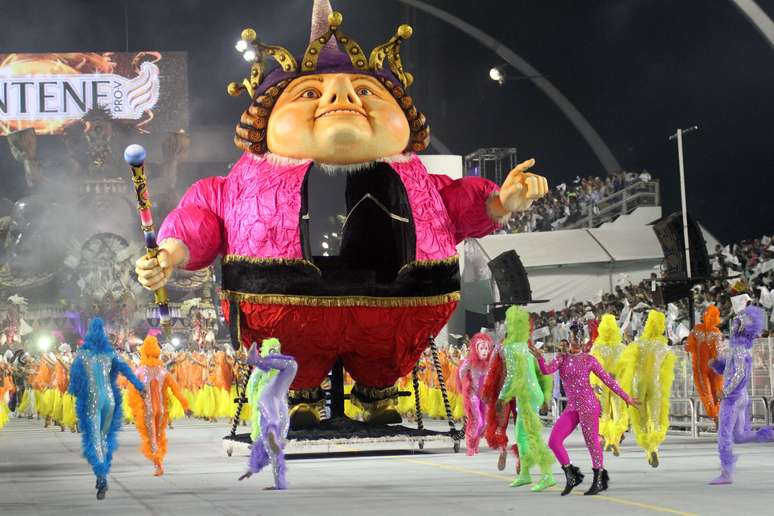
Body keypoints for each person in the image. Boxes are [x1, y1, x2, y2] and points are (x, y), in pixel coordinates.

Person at [134, 0, 548, 429]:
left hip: (395, 305)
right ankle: (299, 391)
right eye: (310, 93)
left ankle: (378, 387)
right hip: (286, 311)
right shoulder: (242, 182)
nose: (342, 96)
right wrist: (170, 252)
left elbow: (456, 206)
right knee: (295, 362)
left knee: (381, 355)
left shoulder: (417, 176)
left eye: (366, 91)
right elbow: (202, 217)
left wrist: (500, 203)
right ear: (265, 120)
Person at [530, 321, 637, 496]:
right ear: (569, 338)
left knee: (592, 443)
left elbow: (608, 381)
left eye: (580, 337)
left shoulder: (589, 359)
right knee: (554, 441)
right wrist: (539, 357)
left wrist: (627, 397)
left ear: (583, 339)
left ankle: (599, 480)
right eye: (574, 336)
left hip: (588, 405)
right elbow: (546, 371)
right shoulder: (562, 358)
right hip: (572, 407)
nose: (577, 340)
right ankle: (572, 474)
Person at [69, 318, 145, 500]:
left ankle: (101, 475)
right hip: (109, 400)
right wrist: (140, 387)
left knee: (94, 438)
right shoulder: (110, 354)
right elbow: (127, 371)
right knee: (105, 437)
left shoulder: (82, 355)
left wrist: (78, 399)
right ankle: (102, 472)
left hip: (92, 400)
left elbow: (75, 383)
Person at [708, 305, 773, 484]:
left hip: (733, 399)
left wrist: (725, 392)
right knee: (740, 436)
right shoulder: (740, 349)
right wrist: (716, 364)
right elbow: (730, 371)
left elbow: (739, 374)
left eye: (735, 324)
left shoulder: (737, 350)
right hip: (741, 397)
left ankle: (726, 474)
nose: (732, 327)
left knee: (724, 435)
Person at [497, 307, 555, 491]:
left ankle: (547, 475)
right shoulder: (525, 346)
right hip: (530, 394)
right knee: (521, 435)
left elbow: (512, 375)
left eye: (508, 323)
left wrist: (502, 398)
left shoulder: (511, 347)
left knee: (531, 436)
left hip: (527, 396)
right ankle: (525, 474)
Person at [127, 336, 190, 477]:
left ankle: (158, 465)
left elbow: (131, 389)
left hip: (148, 410)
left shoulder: (140, 371)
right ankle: (159, 462)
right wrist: (185, 405)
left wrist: (137, 404)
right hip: (161, 410)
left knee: (152, 438)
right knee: (159, 436)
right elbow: (176, 390)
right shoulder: (163, 372)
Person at [239, 338, 297, 490]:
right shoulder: (277, 369)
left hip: (266, 407)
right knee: (292, 365)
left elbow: (252, 392)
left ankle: (272, 430)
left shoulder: (262, 372)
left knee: (269, 445)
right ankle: (280, 483)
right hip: (280, 409)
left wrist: (252, 467)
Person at [621, 309, 675, 467]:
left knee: (641, 418)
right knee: (656, 418)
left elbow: (627, 365)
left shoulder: (637, 344)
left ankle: (648, 447)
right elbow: (668, 372)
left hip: (639, 383)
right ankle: (654, 448)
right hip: (656, 384)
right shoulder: (665, 348)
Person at [589, 314, 632, 456]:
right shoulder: (621, 348)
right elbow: (628, 367)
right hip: (617, 384)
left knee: (604, 413)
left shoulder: (597, 347)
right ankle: (614, 440)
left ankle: (607, 439)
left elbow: (590, 366)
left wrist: (594, 384)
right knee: (619, 413)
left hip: (602, 384)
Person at [685, 305, 724, 427]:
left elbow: (688, 347)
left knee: (706, 393)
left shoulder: (696, 330)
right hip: (714, 367)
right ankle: (718, 416)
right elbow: (720, 351)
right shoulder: (716, 332)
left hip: (701, 367)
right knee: (716, 392)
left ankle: (715, 416)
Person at [458, 331, 493, 456]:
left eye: (486, 348)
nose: (484, 351)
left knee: (485, 423)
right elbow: (461, 372)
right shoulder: (470, 361)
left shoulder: (490, 362)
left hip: (484, 396)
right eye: (482, 348)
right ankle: (470, 445)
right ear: (476, 349)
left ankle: (476, 442)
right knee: (477, 420)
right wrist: (466, 387)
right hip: (473, 394)